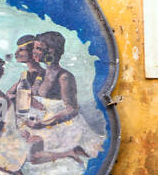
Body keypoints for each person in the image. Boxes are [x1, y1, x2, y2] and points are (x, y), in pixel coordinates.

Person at [19, 31, 100, 167]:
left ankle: (69, 152)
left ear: (51, 50)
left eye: (38, 48)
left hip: (62, 125)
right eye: (34, 48)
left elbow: (72, 110)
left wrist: (44, 124)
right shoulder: (41, 74)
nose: (34, 52)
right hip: (42, 122)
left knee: (31, 157)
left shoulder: (64, 77)